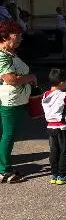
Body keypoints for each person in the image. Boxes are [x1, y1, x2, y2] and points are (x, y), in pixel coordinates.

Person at [0, 20, 36, 183]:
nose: (20, 38)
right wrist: (30, 77)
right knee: (9, 135)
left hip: (16, 100)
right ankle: (4, 170)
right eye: (17, 35)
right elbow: (10, 79)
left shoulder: (10, 53)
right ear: (5, 36)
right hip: (9, 101)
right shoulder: (2, 56)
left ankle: (4, 167)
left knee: (8, 134)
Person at [41, 68, 66, 185]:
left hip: (51, 127)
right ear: (63, 82)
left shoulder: (45, 95)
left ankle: (54, 174)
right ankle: (62, 174)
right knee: (65, 151)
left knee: (54, 151)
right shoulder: (64, 95)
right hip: (63, 127)